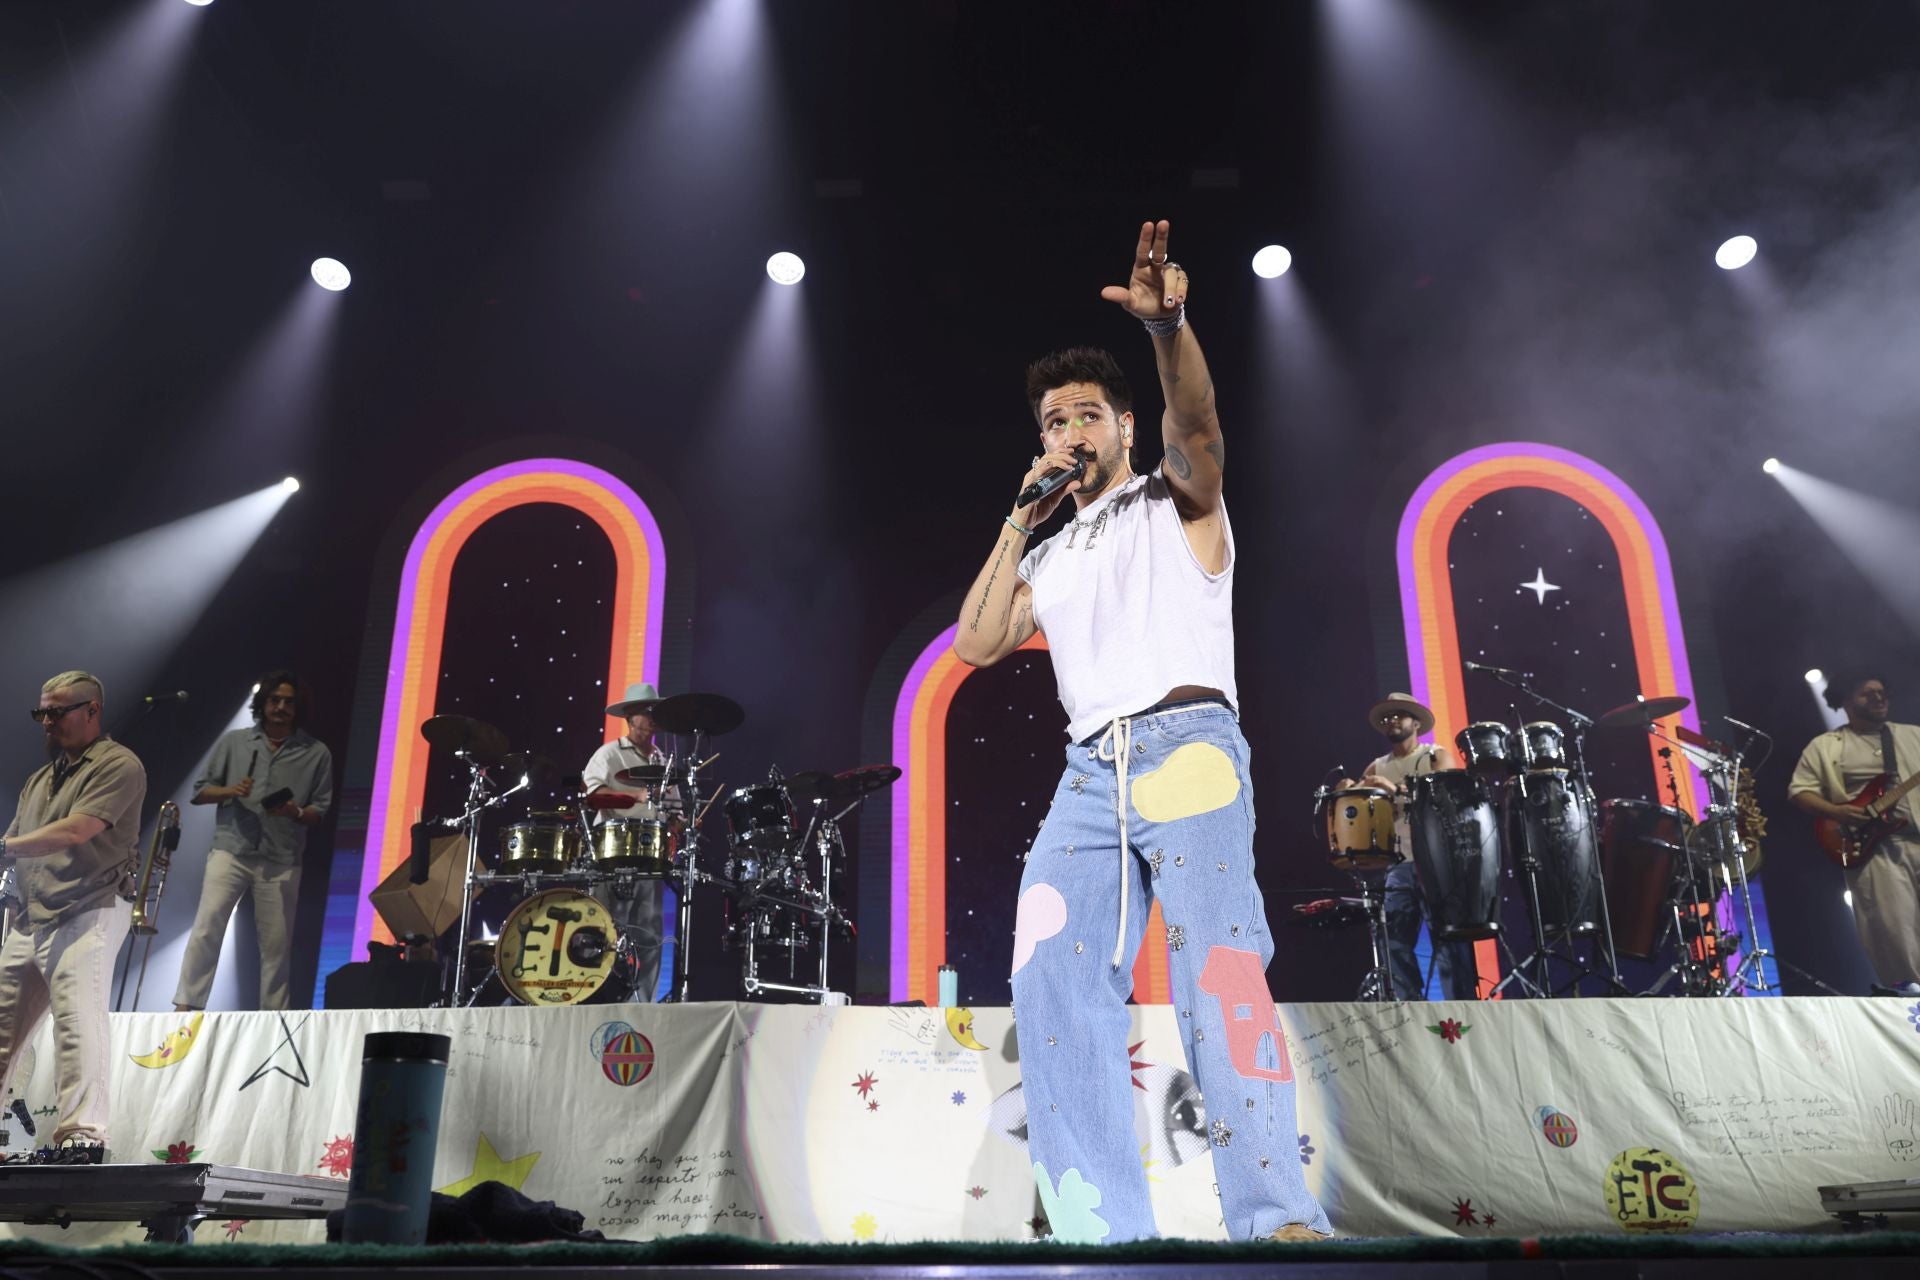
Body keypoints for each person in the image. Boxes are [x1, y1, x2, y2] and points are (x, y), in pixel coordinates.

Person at [954, 221, 1330, 1243]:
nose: (1066, 428)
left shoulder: (1177, 498)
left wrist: (1169, 328)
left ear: (1123, 424)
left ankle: (1274, 1215)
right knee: (1049, 970)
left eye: (1085, 413)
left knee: (1218, 968)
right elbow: (978, 641)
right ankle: (1097, 1228)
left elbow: (1199, 424)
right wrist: (1015, 521)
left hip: (1187, 747)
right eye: (1050, 419)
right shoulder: (1051, 554)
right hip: (1091, 771)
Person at [0, 672, 147, 1159]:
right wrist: (15, 894)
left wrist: (5, 846)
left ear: (92, 711)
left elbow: (76, 831)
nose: (47, 722)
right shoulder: (39, 780)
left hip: (90, 908)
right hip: (34, 916)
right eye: (41, 712)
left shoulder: (119, 764)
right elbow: (17, 849)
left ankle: (83, 1138)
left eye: (58, 712)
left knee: (76, 1021)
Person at [174, 671, 333, 1012]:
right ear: (263, 703)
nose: (281, 707)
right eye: (275, 700)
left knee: (277, 944)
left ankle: (273, 1020)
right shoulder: (235, 742)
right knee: (207, 928)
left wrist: (295, 812)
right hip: (232, 849)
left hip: (282, 857)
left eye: (289, 702)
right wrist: (231, 791)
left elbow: (319, 811)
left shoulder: (316, 753)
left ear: (298, 708)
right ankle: (185, 1008)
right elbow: (200, 792)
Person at [1340, 693, 1479, 1000]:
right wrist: (1348, 788)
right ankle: (1412, 1008)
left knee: (1449, 939)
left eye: (1399, 716)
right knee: (1393, 940)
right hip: (1399, 864)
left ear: (1416, 723)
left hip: (1438, 864)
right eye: (1387, 717)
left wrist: (1397, 789)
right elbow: (1356, 800)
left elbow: (1449, 798)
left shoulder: (1435, 757)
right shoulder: (1377, 767)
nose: (1392, 721)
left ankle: (1464, 1008)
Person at [1788, 671, 1920, 993]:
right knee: (1893, 927)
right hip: (1875, 849)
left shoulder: (1913, 735)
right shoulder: (1827, 746)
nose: (1878, 697)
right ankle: (1911, 998)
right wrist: (1837, 811)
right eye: (1867, 693)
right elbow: (1799, 791)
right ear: (1845, 701)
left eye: (1881, 691)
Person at [581, 682, 671, 1002]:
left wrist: (682, 821)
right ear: (630, 718)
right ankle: (597, 997)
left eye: (654, 713)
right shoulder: (609, 754)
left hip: (649, 856)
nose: (652, 718)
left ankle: (643, 1006)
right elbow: (591, 797)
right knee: (606, 929)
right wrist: (635, 795)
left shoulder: (663, 762)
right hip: (612, 854)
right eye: (647, 712)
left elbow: (671, 807)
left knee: (648, 934)